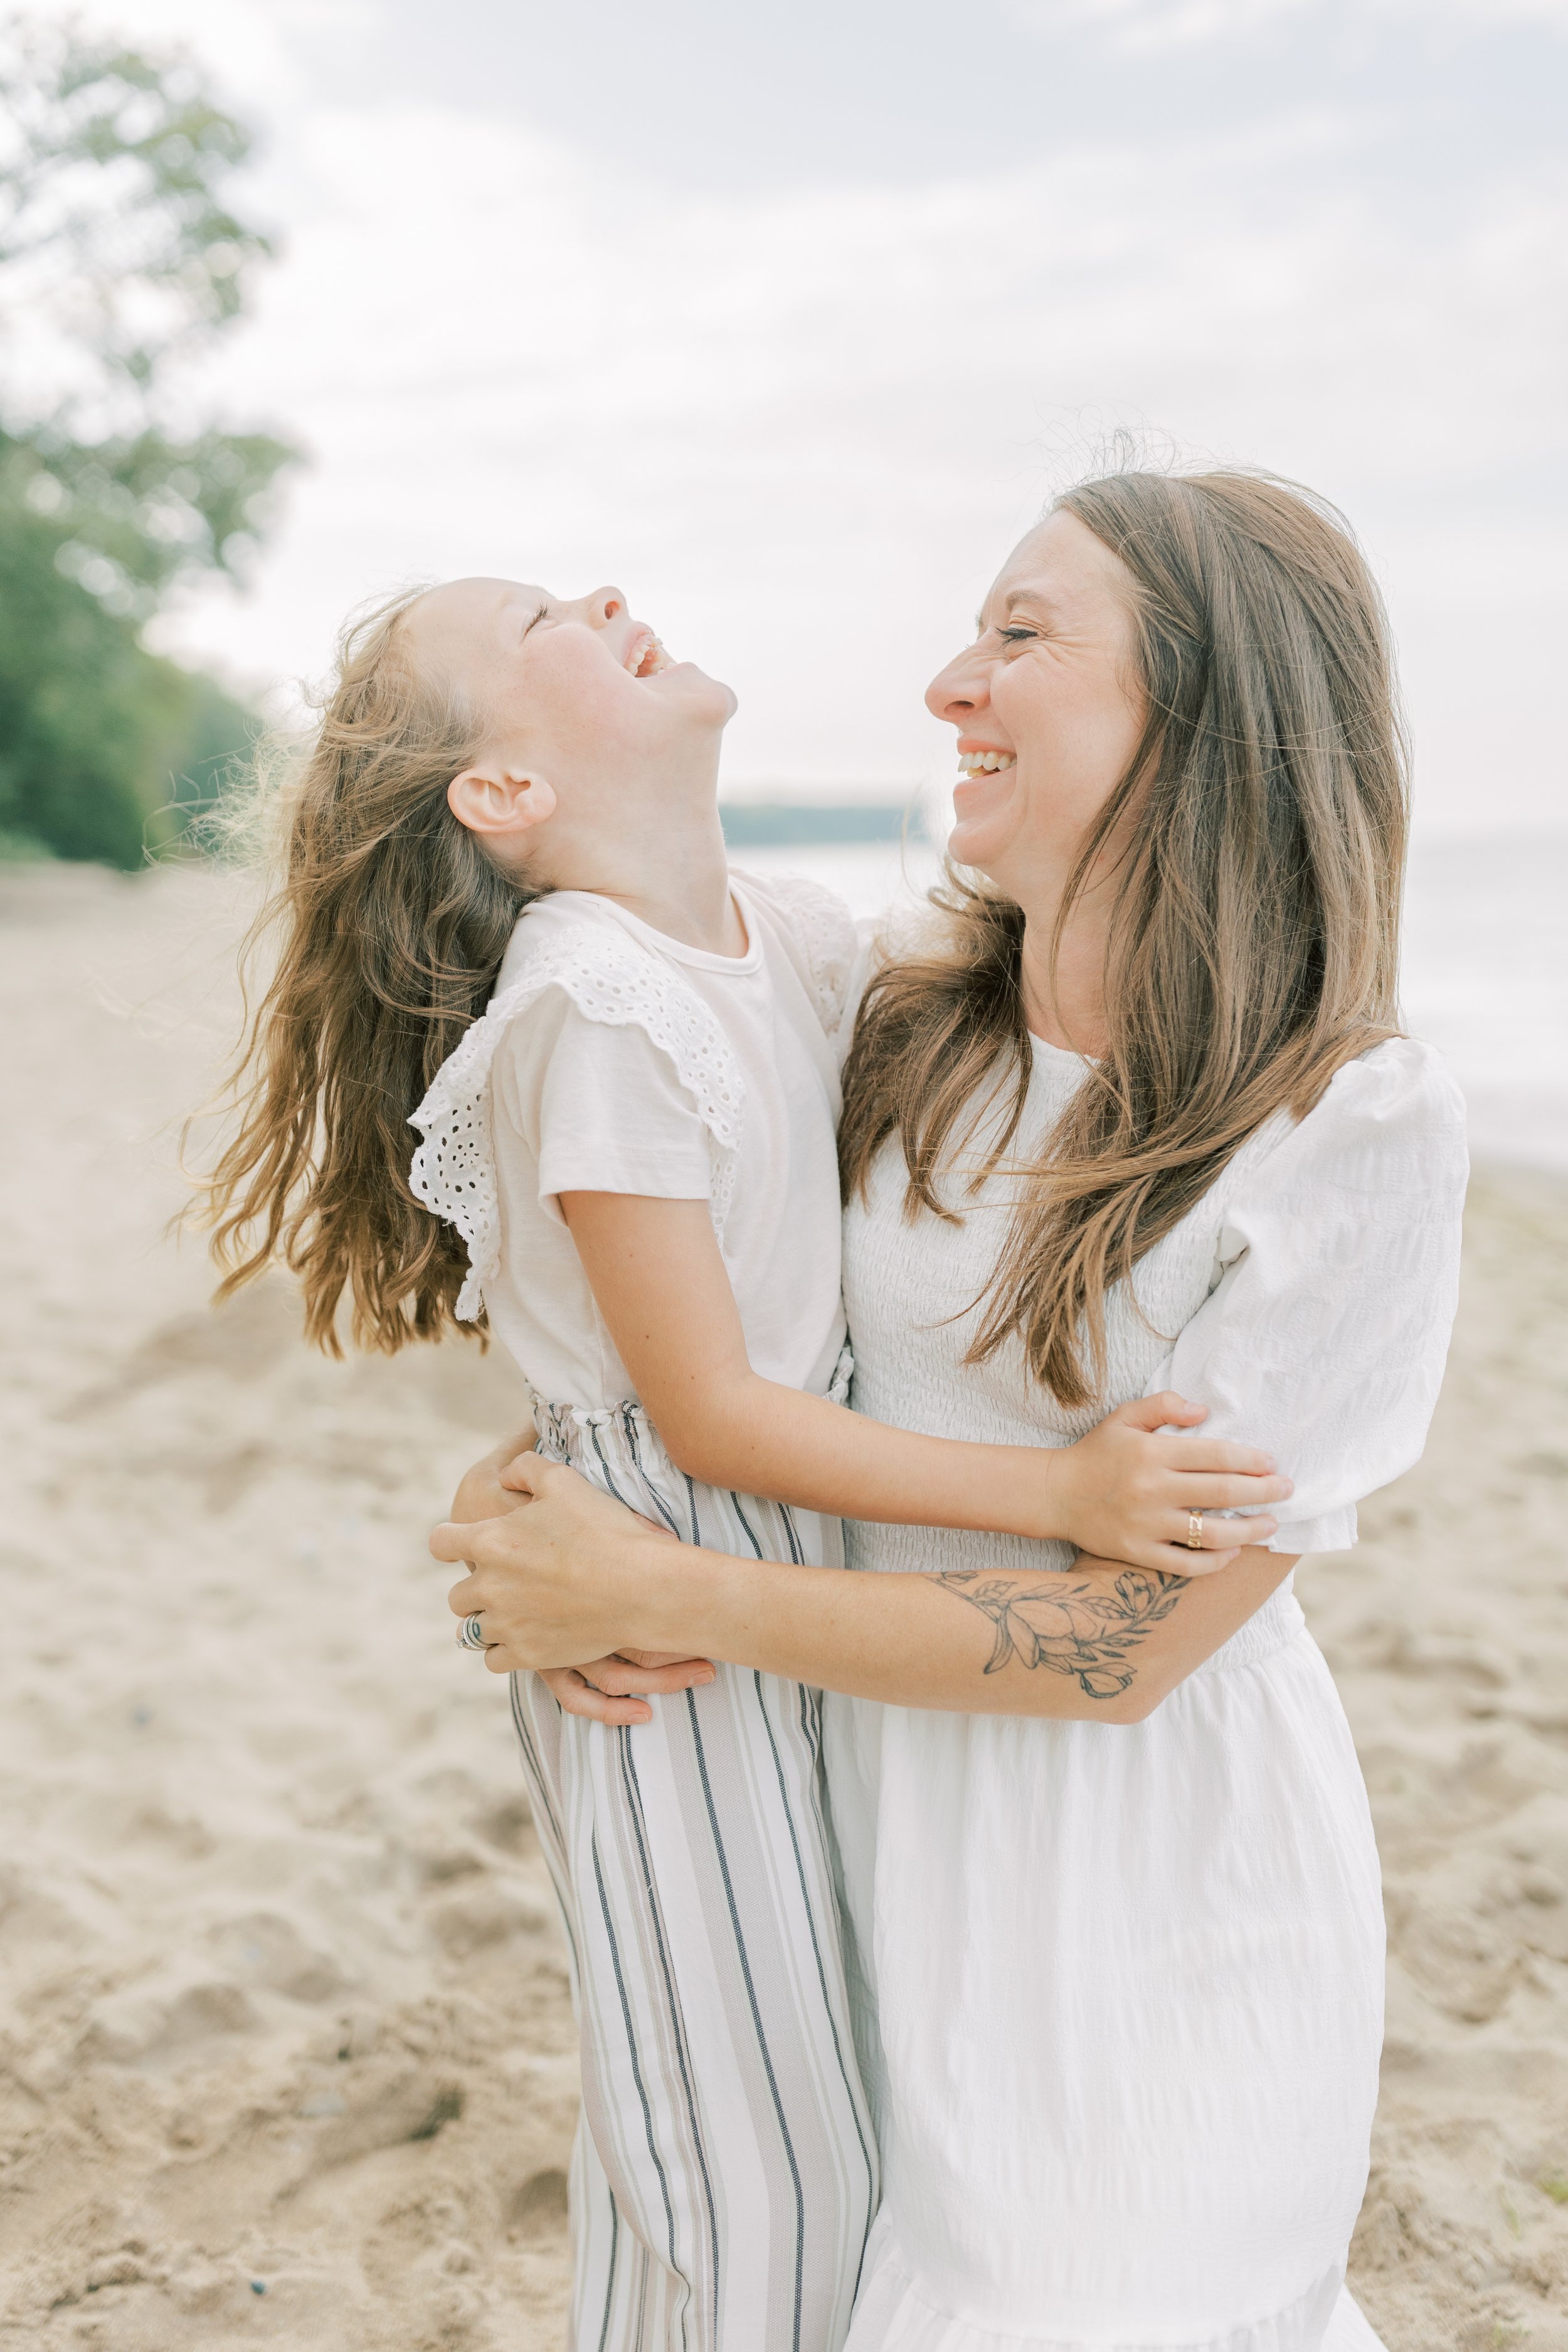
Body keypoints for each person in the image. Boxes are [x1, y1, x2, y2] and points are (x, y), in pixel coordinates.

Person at [433, 472, 1469, 2352]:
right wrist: (560, 1475)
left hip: (1140, 1897)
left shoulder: (1346, 1122)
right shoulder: (897, 1023)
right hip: (858, 1838)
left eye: (1018, 635)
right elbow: (715, 1321)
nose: (944, 684)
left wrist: (666, 1595)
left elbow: (1129, 1646)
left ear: (1203, 708)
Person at [197, 569, 1286, 2352]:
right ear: (504, 794)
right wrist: (1064, 1496)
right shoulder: (599, 1006)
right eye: (549, 616)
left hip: (791, 1559)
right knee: (739, 2159)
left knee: (837, 2107)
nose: (610, 592)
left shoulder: (784, 936)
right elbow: (704, 1413)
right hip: (666, 1606)